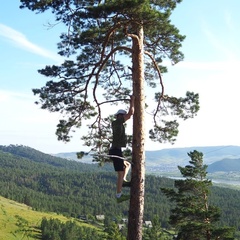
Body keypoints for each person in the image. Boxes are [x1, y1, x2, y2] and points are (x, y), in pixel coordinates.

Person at [109, 95, 135, 203]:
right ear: (120, 116)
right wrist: (132, 101)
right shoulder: (118, 122)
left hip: (115, 150)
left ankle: (123, 181)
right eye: (123, 116)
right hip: (116, 150)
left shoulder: (115, 123)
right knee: (120, 173)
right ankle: (119, 196)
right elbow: (130, 114)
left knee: (127, 165)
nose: (125, 118)